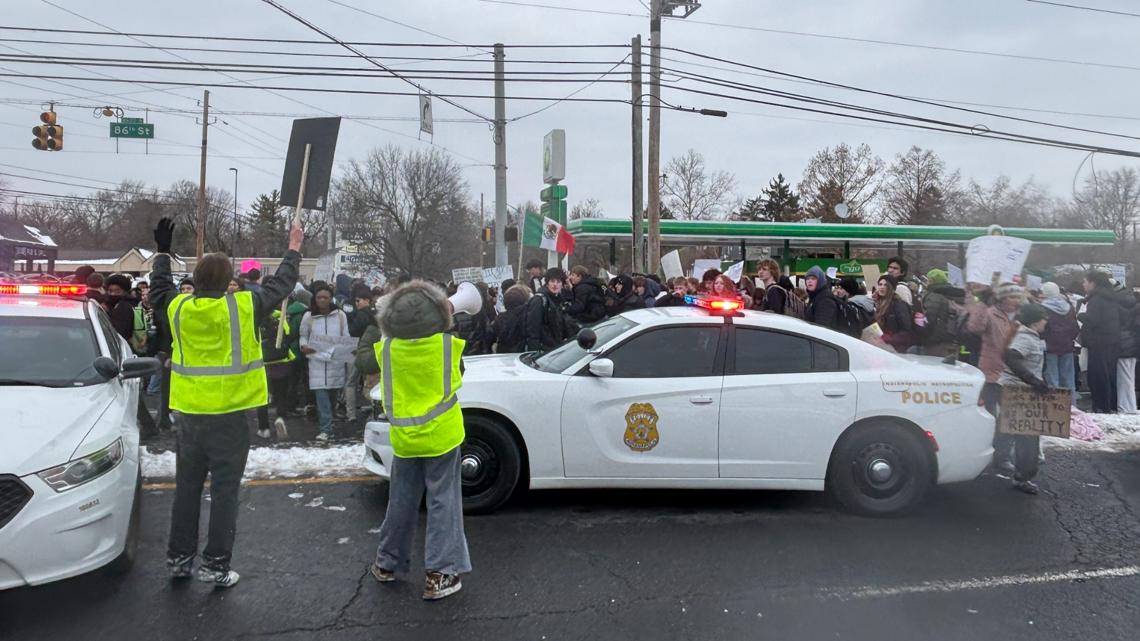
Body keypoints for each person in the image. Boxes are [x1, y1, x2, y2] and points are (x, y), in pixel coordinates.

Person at [152, 217, 303, 588]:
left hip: (188, 416)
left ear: (197, 280)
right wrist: (294, 248)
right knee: (224, 493)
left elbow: (158, 291)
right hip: (231, 417)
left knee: (186, 490)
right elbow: (282, 284)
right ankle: (215, 565)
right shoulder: (244, 306)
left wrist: (162, 252)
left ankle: (179, 559)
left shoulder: (178, 308)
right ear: (227, 282)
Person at [353, 281, 472, 600]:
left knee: (401, 502)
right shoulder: (448, 345)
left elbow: (364, 360)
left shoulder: (388, 349)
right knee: (443, 503)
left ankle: (387, 564)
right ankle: (441, 573)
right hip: (442, 437)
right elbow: (458, 367)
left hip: (404, 438)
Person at [997, 303, 1052, 494]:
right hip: (1019, 392)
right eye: (1045, 317)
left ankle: (1000, 461)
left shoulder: (1028, 336)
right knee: (1028, 437)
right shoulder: (1026, 338)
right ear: (1036, 320)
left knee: (1007, 431)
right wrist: (1032, 380)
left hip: (1014, 389)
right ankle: (1022, 477)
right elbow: (1011, 356)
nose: (1047, 321)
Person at [968, 282, 1023, 472]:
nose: (1016, 300)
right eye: (1012, 296)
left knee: (1009, 418)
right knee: (990, 417)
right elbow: (974, 326)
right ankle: (985, 454)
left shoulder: (1018, 316)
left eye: (1018, 297)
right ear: (1002, 298)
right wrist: (983, 302)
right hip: (991, 372)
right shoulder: (990, 312)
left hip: (1012, 373)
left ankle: (1003, 456)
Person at [300, 283, 350, 441]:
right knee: (322, 398)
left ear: (331, 299)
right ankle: (325, 429)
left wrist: (345, 349)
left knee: (332, 397)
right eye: (319, 297)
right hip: (317, 364)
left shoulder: (341, 316)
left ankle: (329, 424)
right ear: (315, 298)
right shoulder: (308, 317)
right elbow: (303, 335)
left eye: (325, 297)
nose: (322, 300)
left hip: (336, 363)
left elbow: (346, 336)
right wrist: (304, 346)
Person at [1078, 271, 1120, 413]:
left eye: (1085, 281)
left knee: (1098, 375)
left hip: (1098, 342)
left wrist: (1081, 316)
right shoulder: (1110, 297)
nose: (1083, 284)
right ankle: (1110, 405)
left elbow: (1094, 320)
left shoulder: (1096, 299)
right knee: (1109, 374)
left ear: (1093, 282)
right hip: (1111, 340)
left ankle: (1101, 406)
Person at [1040, 282, 1079, 403]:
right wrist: (1070, 338)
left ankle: (1055, 406)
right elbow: (1075, 328)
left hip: (1049, 347)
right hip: (1066, 346)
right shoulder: (1069, 307)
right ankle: (1071, 405)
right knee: (1068, 379)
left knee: (1052, 379)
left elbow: (1042, 329)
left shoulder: (1042, 308)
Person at [345, 285, 378, 420]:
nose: (357, 303)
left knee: (350, 382)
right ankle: (375, 409)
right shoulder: (376, 314)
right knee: (371, 383)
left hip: (356, 351)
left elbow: (352, 330)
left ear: (367, 300)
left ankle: (350, 413)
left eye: (359, 301)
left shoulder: (359, 316)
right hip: (371, 353)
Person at [523, 268, 575, 353]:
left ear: (562, 284)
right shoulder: (539, 300)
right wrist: (533, 352)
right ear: (547, 283)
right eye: (552, 281)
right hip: (543, 351)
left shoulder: (559, 300)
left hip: (555, 348)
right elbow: (533, 329)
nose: (555, 284)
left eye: (558, 281)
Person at [920, 269, 965, 358]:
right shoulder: (957, 296)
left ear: (932, 281)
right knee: (950, 369)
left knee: (935, 368)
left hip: (936, 342)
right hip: (955, 341)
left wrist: (922, 336)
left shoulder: (934, 296)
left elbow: (929, 319)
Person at [874, 275, 915, 352]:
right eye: (880, 284)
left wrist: (890, 338)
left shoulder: (899, 305)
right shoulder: (877, 304)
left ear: (892, 288)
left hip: (897, 349)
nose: (882, 287)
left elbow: (907, 330)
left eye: (886, 285)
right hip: (881, 347)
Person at [1115, 281, 1138, 414]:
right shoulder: (1133, 304)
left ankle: (1124, 407)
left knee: (1123, 378)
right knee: (1130, 378)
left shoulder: (1118, 307)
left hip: (1122, 345)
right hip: (1133, 344)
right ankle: (1131, 405)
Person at [491, 284, 531, 353]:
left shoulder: (499, 319)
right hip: (521, 354)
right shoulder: (527, 316)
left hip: (503, 355)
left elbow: (492, 337)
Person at [804, 266, 840, 331]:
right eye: (807, 278)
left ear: (820, 280)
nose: (809, 281)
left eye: (813, 278)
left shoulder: (825, 300)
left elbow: (821, 328)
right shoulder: (815, 296)